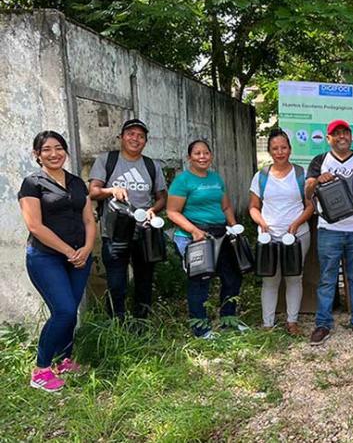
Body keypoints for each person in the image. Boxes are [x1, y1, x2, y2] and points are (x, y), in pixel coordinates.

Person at [19, 131, 96, 392]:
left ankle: (64, 361)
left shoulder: (76, 182)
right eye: (47, 149)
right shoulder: (32, 183)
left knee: (70, 312)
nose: (54, 154)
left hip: (79, 257)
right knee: (63, 310)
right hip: (46, 257)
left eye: (59, 148)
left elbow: (88, 219)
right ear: (37, 154)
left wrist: (86, 248)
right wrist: (68, 251)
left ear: (66, 151)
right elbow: (35, 226)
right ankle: (41, 370)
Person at [305, 119, 353, 345]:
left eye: (345, 133)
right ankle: (322, 324)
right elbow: (308, 193)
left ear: (351, 136)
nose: (342, 137)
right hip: (329, 230)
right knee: (327, 279)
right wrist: (318, 180)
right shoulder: (320, 161)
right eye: (336, 133)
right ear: (328, 138)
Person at [89, 119, 167, 320]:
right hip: (114, 234)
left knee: (144, 281)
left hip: (144, 233)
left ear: (145, 141)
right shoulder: (107, 160)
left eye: (140, 136)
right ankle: (117, 323)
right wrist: (111, 190)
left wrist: (152, 209)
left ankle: (141, 323)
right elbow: (94, 192)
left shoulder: (152, 165)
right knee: (116, 283)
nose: (135, 139)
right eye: (131, 134)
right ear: (121, 137)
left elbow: (162, 197)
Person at [166, 139, 245, 339]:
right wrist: (193, 231)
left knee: (233, 276)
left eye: (206, 153)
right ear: (189, 157)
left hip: (221, 233)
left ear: (211, 155)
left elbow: (226, 207)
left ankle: (229, 320)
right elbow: (172, 212)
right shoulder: (183, 181)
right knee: (200, 281)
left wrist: (234, 227)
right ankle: (200, 328)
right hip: (196, 237)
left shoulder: (216, 178)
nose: (202, 157)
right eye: (197, 153)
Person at [248, 128, 314, 336]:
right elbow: (253, 207)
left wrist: (295, 224)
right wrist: (261, 223)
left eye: (283, 147)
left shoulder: (301, 174)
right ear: (269, 151)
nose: (280, 152)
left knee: (294, 277)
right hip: (269, 237)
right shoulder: (261, 176)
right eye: (275, 148)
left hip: (297, 235)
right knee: (270, 279)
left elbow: (310, 206)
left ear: (290, 149)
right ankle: (268, 324)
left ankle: (292, 321)